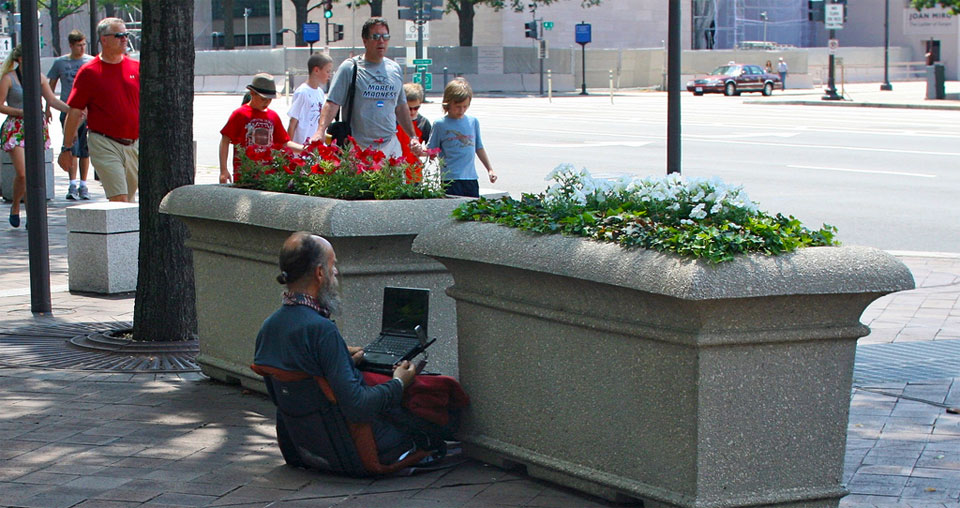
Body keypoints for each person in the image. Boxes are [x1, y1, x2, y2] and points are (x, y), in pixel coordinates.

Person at [254, 232, 462, 467]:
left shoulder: (269, 327)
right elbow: (358, 407)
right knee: (423, 403)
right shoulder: (321, 330)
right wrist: (399, 382)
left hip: (308, 447)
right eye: (333, 266)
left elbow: (297, 392)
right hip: (355, 451)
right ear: (320, 273)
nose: (336, 274)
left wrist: (344, 361)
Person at [58, 17, 140, 203]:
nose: (125, 39)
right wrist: (67, 148)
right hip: (104, 143)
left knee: (129, 200)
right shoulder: (90, 72)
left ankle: (126, 233)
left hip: (134, 144)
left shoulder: (135, 67)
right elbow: (74, 111)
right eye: (119, 35)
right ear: (104, 39)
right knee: (120, 199)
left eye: (126, 35)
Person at [316, 18, 421, 157]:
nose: (381, 41)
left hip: (390, 145)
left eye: (385, 36)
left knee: (396, 179)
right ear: (365, 40)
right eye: (376, 36)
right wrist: (320, 131)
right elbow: (332, 103)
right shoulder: (350, 68)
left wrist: (413, 136)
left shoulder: (394, 69)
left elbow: (401, 106)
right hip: (358, 146)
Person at [0, 45, 70, 228]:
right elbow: (0, 105)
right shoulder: (8, 78)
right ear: (21, 59)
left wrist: (72, 109)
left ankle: (31, 216)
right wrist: (21, 112)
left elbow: (52, 100)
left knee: (33, 174)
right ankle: (15, 205)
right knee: (23, 173)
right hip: (16, 127)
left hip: (36, 127)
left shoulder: (39, 79)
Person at [219, 73, 303, 184]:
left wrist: (305, 148)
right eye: (263, 99)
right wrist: (223, 170)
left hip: (268, 175)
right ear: (252, 93)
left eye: (270, 99)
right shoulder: (239, 114)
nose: (267, 102)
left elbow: (284, 142)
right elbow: (225, 140)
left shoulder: (273, 116)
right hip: (245, 174)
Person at [427, 79, 497, 198]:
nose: (461, 110)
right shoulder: (440, 124)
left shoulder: (473, 122)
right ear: (448, 103)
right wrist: (421, 152)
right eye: (458, 106)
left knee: (472, 212)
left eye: (465, 106)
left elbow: (479, 148)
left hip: (470, 178)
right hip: (450, 179)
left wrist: (490, 169)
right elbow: (431, 149)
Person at [47, 29, 94, 201]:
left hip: (88, 112)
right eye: (78, 46)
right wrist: (47, 109)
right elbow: (50, 85)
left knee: (85, 148)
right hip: (68, 109)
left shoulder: (91, 61)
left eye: (83, 45)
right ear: (71, 46)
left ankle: (83, 184)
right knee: (70, 147)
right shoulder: (61, 62)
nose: (81, 49)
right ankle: (72, 184)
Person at [287, 53, 333, 145]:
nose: (329, 75)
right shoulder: (302, 92)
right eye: (327, 71)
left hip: (315, 150)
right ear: (316, 70)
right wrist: (288, 150)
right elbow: (292, 124)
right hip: (301, 150)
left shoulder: (320, 92)